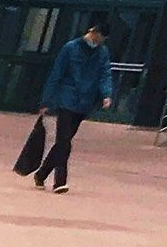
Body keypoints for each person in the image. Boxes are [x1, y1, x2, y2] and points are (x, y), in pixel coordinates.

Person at [34, 14, 115, 193]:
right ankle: (60, 181)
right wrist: (47, 101)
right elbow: (56, 74)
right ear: (93, 32)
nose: (100, 42)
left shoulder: (102, 52)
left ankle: (41, 174)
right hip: (67, 99)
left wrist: (106, 94)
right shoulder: (70, 48)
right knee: (64, 142)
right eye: (100, 38)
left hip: (84, 103)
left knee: (64, 141)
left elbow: (105, 74)